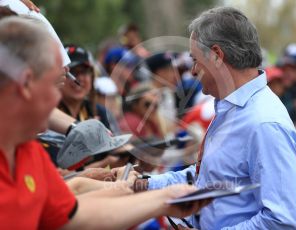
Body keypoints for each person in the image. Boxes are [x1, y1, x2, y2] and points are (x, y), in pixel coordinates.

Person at [0, 17, 209, 229]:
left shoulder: (28, 153)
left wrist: (163, 199)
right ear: (26, 83)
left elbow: (74, 214)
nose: (57, 99)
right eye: (54, 84)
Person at [135, 7, 296, 229]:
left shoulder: (264, 123)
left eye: (195, 60)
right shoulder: (235, 108)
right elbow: (208, 176)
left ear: (216, 55)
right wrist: (143, 184)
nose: (193, 71)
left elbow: (283, 221)